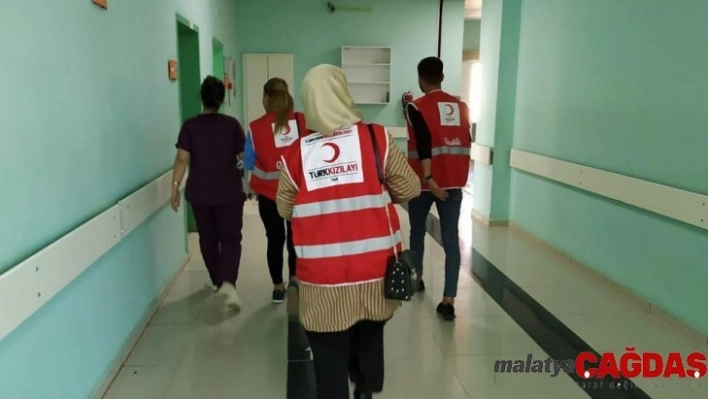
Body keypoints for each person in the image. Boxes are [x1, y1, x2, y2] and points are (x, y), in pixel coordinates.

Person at [276, 64, 421, 399]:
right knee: (369, 334)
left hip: (321, 279)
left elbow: (285, 208)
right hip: (375, 274)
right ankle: (366, 388)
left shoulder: (298, 152)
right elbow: (411, 187)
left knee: (328, 354)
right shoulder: (376, 138)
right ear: (344, 93)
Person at [170, 75, 246, 310]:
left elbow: (182, 159)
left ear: (200, 98)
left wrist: (174, 188)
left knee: (208, 238)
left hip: (200, 193)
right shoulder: (232, 125)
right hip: (229, 192)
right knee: (231, 238)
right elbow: (244, 159)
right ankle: (228, 284)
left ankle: (216, 280)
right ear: (222, 99)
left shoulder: (190, 126)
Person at [405, 57, 472, 321]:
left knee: (417, 232)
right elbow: (466, 140)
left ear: (421, 78)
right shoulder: (462, 106)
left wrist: (430, 178)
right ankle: (448, 300)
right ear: (442, 77)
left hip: (424, 183)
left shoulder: (416, 107)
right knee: (451, 239)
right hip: (454, 183)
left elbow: (423, 142)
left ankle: (417, 279)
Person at [243, 78, 305, 304]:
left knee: (275, 239)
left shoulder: (255, 127)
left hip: (269, 196)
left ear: (267, 98)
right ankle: (295, 284)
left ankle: (278, 287)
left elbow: (249, 163)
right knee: (296, 240)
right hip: (299, 195)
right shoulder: (302, 121)